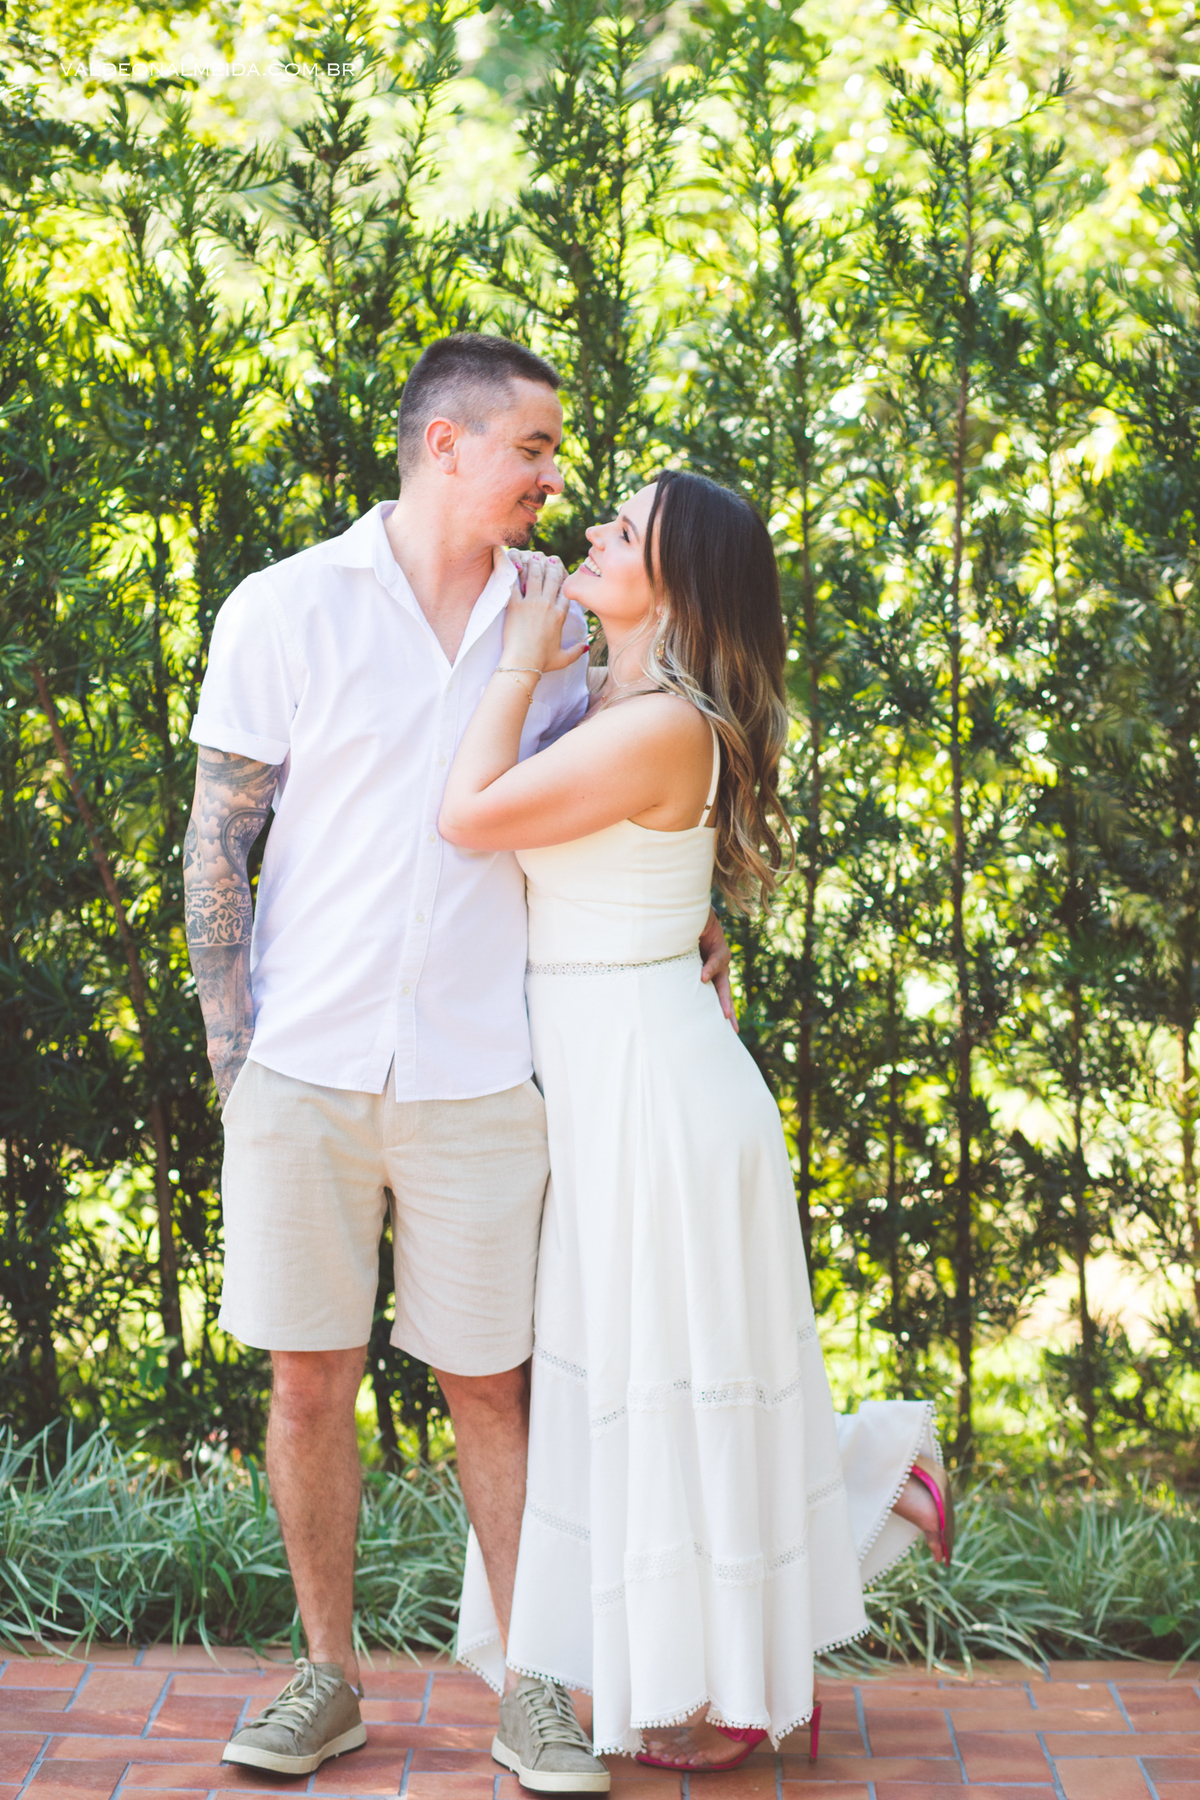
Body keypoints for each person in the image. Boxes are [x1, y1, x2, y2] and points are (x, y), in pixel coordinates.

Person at [182, 335, 731, 1783]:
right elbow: (218, 844)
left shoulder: (563, 618)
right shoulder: (284, 608)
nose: (558, 479)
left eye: (556, 456)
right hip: (304, 1069)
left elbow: (634, 781)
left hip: (487, 1075)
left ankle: (534, 1682)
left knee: (495, 1385)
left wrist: (702, 931)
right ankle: (326, 1678)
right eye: (536, 450)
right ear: (448, 448)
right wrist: (237, 1062)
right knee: (309, 1382)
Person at [439, 472, 954, 1780]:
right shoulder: (616, 703)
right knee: (642, 1391)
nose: (593, 537)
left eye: (623, 533)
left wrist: (510, 661)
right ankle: (843, 1520)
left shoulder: (659, 720)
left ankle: (740, 1656)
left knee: (670, 1394)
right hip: (621, 1076)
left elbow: (472, 818)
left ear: (673, 586)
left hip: (657, 1097)